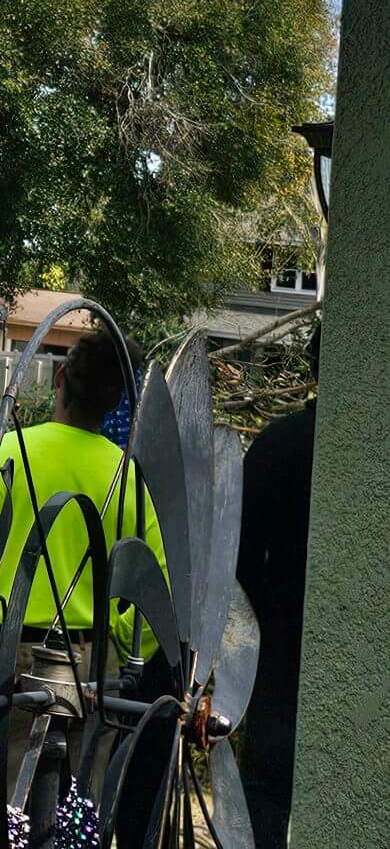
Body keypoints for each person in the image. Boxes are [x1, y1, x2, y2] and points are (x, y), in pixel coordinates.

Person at [0, 328, 167, 848]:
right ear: (114, 401)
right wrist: (119, 647)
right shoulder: (126, 477)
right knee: (77, 825)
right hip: (93, 674)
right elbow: (156, 591)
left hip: (8, 663)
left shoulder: (14, 452)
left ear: (60, 378)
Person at [234, 321, 319, 847]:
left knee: (264, 797)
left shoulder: (276, 445)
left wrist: (266, 616)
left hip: (276, 646)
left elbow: (240, 555)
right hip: (349, 654)